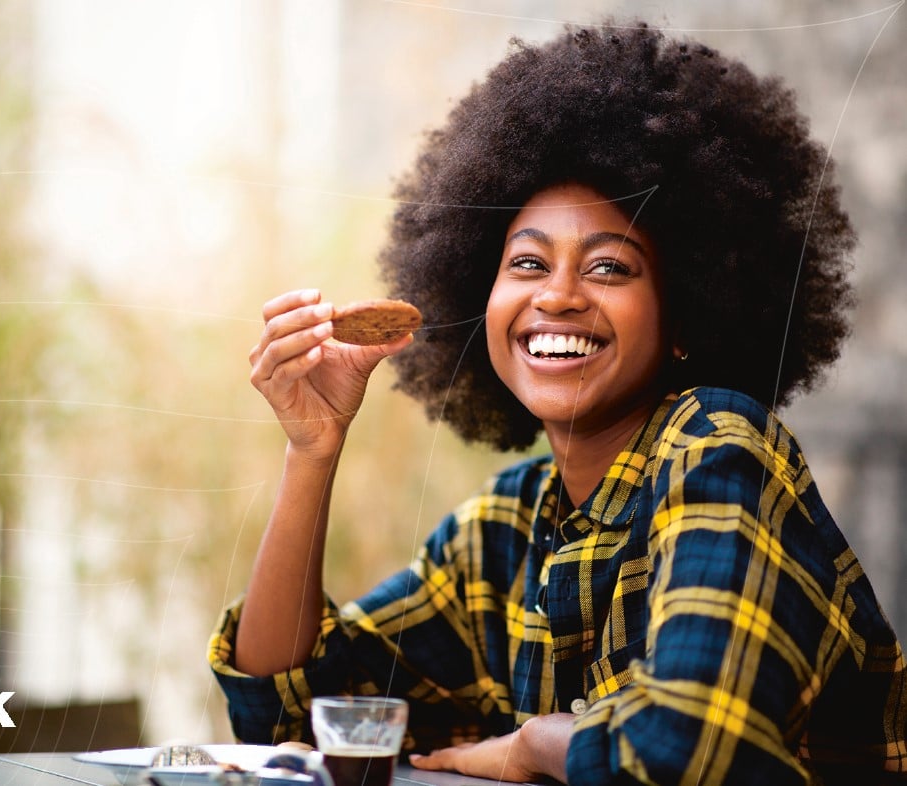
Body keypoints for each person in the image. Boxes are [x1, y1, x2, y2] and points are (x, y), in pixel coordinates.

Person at [208, 20, 907, 786]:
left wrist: (535, 745)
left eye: (609, 268)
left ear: (684, 321)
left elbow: (689, 757)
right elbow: (293, 716)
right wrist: (312, 452)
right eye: (529, 262)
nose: (559, 296)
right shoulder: (506, 529)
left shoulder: (719, 450)